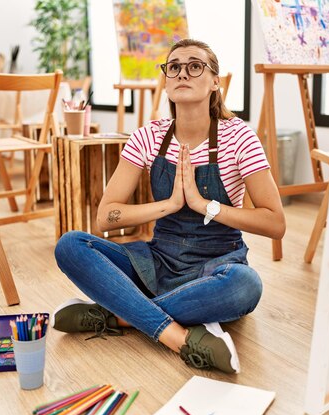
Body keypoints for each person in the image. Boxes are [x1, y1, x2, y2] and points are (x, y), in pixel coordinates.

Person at [53, 39, 285, 374]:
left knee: (247, 285)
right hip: (158, 261)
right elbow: (106, 216)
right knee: (70, 245)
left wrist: (206, 205)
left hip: (217, 265)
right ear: (166, 80)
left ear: (215, 81)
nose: (182, 73)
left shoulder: (239, 137)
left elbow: (275, 222)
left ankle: (117, 315)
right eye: (173, 67)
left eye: (195, 66)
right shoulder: (147, 137)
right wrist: (169, 204)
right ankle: (178, 337)